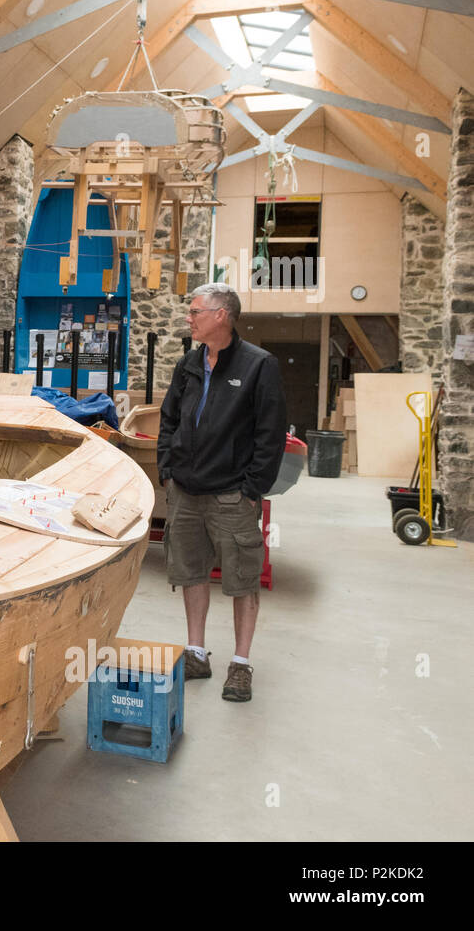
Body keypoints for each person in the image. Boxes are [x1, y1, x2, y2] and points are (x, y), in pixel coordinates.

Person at [158, 283, 287, 703]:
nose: (188, 318)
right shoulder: (188, 364)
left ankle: (241, 664)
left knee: (241, 578)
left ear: (221, 316)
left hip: (232, 494)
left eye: (195, 311)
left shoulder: (258, 365)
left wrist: (252, 489)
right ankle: (196, 653)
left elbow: (271, 436)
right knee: (190, 572)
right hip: (186, 491)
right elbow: (169, 419)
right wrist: (167, 469)